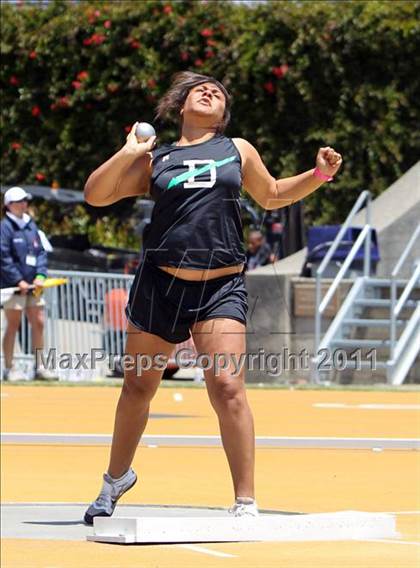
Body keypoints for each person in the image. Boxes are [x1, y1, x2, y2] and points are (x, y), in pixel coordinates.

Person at [83, 71, 342, 524]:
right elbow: (96, 195)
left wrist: (319, 174)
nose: (209, 92)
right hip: (160, 284)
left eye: (218, 92)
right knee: (139, 386)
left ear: (222, 115)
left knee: (227, 388)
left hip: (219, 285)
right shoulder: (156, 158)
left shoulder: (236, 150)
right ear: (181, 107)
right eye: (200, 90)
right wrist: (129, 151)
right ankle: (115, 480)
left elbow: (274, 194)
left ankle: (245, 501)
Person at [0, 186, 55, 381]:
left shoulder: (31, 225)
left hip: (34, 287)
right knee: (13, 325)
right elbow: (4, 258)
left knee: (39, 323)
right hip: (14, 288)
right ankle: (9, 368)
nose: (25, 204)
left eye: (26, 201)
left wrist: (40, 275)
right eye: (20, 201)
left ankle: (40, 367)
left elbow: (40, 252)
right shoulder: (5, 227)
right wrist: (18, 280)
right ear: (9, 205)